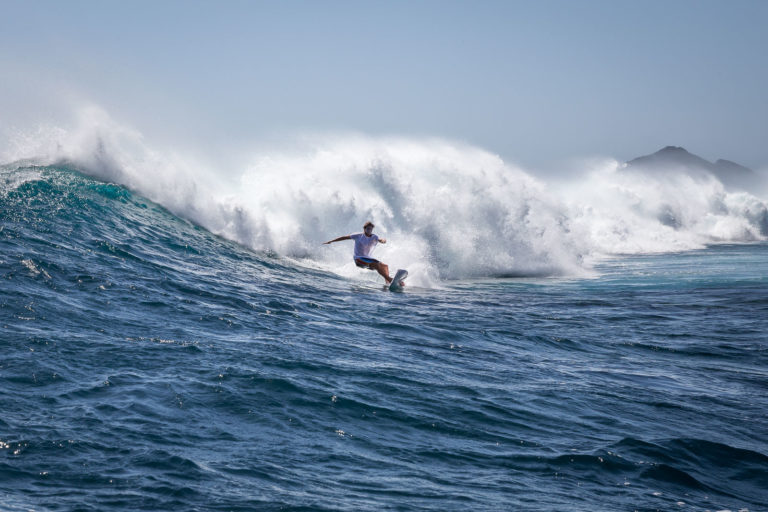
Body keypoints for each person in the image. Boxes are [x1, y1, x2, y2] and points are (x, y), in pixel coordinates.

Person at [324, 221, 394, 284]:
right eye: (368, 229)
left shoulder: (374, 237)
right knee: (376, 265)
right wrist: (331, 241)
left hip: (367, 259)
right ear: (364, 229)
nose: (369, 230)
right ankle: (390, 279)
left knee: (385, 266)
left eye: (371, 229)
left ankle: (387, 283)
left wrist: (383, 240)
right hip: (358, 259)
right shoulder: (358, 236)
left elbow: (380, 240)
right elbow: (344, 237)